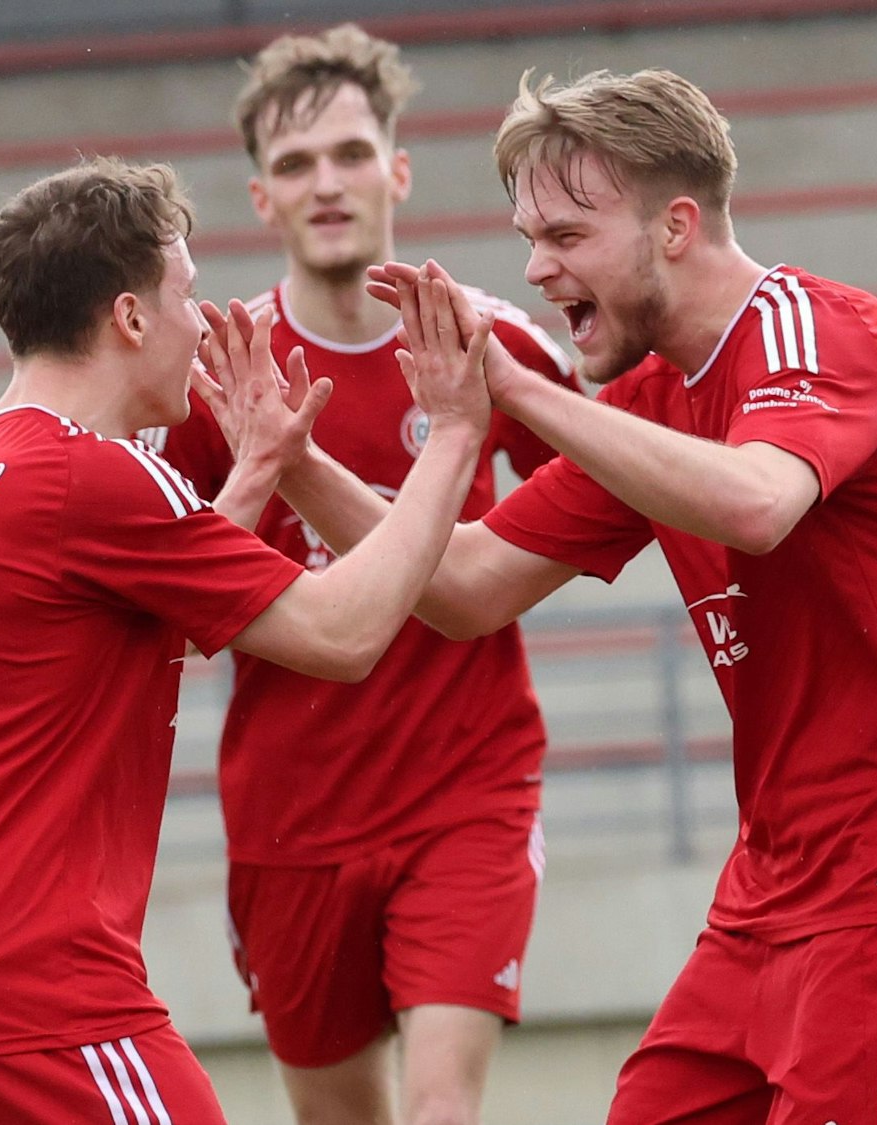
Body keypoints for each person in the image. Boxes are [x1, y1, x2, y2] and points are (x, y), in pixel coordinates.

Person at [206, 67, 877, 1124]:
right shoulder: (653, 397)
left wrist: (505, 390)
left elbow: (754, 502)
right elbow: (463, 586)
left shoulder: (816, 336)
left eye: (564, 236)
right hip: (773, 888)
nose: (533, 268)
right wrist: (291, 461)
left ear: (675, 227)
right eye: (528, 236)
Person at [0, 157, 497, 1124]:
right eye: (186, 295)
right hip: (38, 987)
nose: (202, 322)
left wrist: (266, 464)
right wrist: (451, 434)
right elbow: (344, 633)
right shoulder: (95, 477)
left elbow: (131, 635)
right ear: (131, 318)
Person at [142, 27, 576, 1125]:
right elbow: (165, 604)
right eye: (295, 165)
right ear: (258, 198)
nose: (325, 184)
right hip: (291, 820)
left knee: (441, 1113)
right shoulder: (214, 375)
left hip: (465, 793)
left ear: (397, 169)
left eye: (347, 154)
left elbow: (596, 483)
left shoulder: (494, 341)